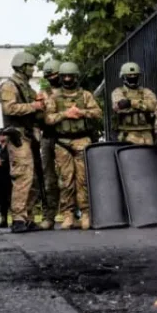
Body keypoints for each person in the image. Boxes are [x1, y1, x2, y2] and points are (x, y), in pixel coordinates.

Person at [45, 62, 102, 230]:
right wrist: (65, 114)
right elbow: (48, 119)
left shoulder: (85, 96)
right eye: (65, 77)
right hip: (62, 143)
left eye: (71, 76)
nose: (68, 79)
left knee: (82, 180)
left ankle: (85, 213)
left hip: (82, 140)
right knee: (66, 180)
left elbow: (97, 113)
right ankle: (68, 214)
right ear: (61, 77)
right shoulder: (54, 97)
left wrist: (82, 113)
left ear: (76, 77)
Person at [0, 51, 46, 234]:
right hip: (17, 136)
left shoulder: (28, 88)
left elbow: (37, 114)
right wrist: (33, 106)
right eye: (30, 66)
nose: (33, 69)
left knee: (33, 178)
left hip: (30, 135)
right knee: (22, 175)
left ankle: (28, 217)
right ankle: (18, 218)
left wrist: (42, 105)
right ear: (22, 66)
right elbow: (9, 108)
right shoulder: (9, 86)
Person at [38, 58, 61, 230]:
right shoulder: (43, 92)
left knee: (72, 178)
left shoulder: (73, 91)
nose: (53, 77)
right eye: (50, 75)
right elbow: (38, 117)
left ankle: (73, 213)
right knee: (48, 179)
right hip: (47, 137)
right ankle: (49, 216)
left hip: (66, 137)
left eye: (56, 74)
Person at [111, 62, 157, 145]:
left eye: (135, 75)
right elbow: (120, 106)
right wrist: (143, 105)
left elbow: (153, 106)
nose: (132, 77)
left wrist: (131, 103)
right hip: (127, 133)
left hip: (146, 133)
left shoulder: (146, 91)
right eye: (129, 75)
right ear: (124, 76)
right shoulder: (118, 92)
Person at [0, 129, 12, 228]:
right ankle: (3, 219)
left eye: (2, 135)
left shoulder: (11, 147)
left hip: (10, 176)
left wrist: (2, 162)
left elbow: (8, 160)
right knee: (1, 199)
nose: (0, 137)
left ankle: (17, 219)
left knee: (11, 198)